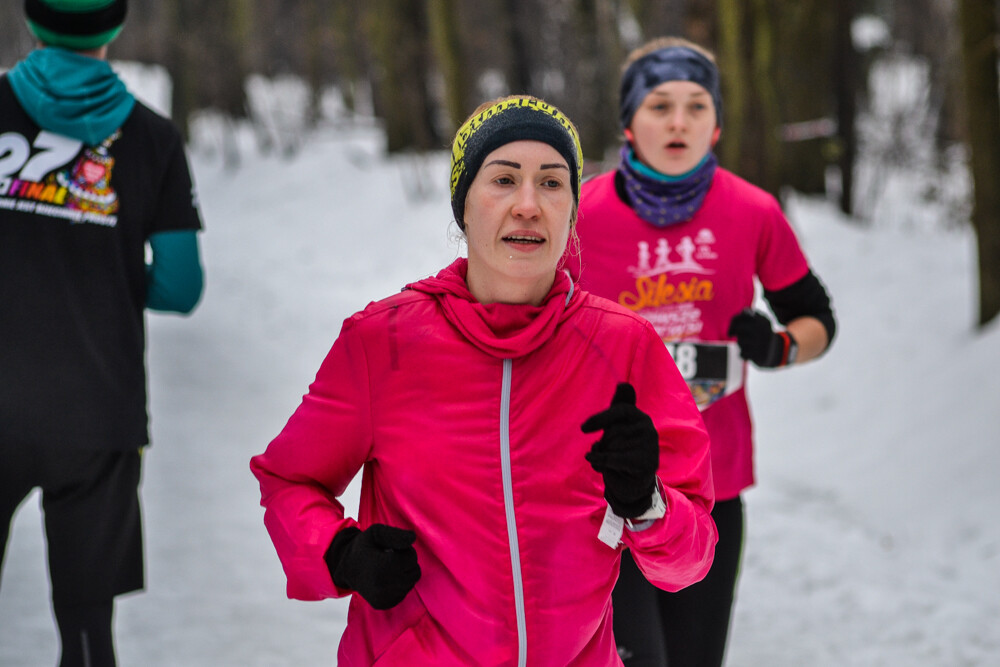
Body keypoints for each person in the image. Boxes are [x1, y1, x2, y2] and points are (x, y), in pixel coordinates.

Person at [250, 95, 718, 665]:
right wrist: (341, 552)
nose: (528, 205)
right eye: (503, 179)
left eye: (551, 183)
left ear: (572, 209)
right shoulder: (384, 342)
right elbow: (288, 481)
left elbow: (689, 560)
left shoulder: (624, 346)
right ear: (464, 205)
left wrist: (647, 504)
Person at [571, 37, 837, 667]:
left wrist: (778, 347)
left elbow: (816, 318)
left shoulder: (752, 211)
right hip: (601, 485)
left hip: (711, 485)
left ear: (716, 125)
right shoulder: (581, 212)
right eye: (660, 105)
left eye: (696, 106)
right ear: (629, 123)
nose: (679, 121)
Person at [0, 1, 205, 665]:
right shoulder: (152, 138)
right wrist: (102, 270)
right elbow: (181, 285)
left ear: (31, 21)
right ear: (114, 28)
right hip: (98, 416)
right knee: (88, 631)